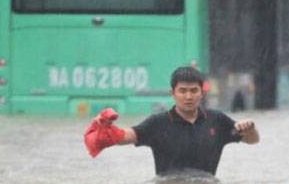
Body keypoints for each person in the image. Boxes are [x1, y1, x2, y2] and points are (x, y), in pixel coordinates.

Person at [84, 66, 259, 176]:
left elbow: (253, 140)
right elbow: (127, 136)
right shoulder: (157, 124)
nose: (188, 96)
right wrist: (105, 128)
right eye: (182, 91)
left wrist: (250, 127)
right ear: (172, 93)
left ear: (202, 93)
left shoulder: (217, 120)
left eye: (193, 91)